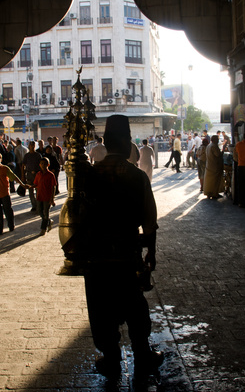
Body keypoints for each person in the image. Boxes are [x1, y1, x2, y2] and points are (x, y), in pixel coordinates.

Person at [84, 115, 163, 379]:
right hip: (128, 256)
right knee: (135, 306)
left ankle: (111, 358)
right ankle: (142, 352)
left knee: (101, 308)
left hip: (96, 258)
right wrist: (150, 253)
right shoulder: (138, 177)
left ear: (105, 143)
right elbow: (149, 224)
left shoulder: (89, 177)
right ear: (128, 143)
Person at [0, 152, 25, 236]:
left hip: (4, 193)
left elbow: (13, 177)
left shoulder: (5, 169)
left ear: (1, 159)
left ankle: (11, 225)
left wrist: (22, 184)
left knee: (8, 210)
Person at [31, 157, 57, 235]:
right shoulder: (38, 174)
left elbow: (53, 186)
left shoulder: (51, 175)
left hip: (47, 197)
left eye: (45, 164)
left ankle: (43, 229)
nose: (43, 165)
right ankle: (49, 221)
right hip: (39, 196)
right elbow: (36, 184)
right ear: (39, 165)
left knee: (46, 212)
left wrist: (52, 198)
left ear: (48, 165)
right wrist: (29, 186)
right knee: (39, 211)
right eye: (42, 164)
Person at [21, 141, 43, 212]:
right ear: (29, 146)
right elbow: (23, 165)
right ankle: (34, 205)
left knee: (38, 190)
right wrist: (23, 175)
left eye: (33, 145)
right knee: (30, 191)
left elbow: (42, 165)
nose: (32, 147)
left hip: (37, 174)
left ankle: (38, 204)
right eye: (31, 145)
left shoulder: (38, 155)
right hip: (29, 174)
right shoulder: (27, 155)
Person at [203, 135, 223, 199]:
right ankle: (214, 194)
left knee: (209, 181)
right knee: (215, 181)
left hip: (209, 165)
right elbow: (217, 154)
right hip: (215, 166)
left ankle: (209, 193)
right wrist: (222, 152)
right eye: (217, 139)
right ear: (215, 140)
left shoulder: (209, 146)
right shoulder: (214, 146)